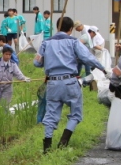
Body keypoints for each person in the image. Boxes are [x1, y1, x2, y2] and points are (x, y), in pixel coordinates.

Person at [34, 16, 106, 152]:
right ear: (71, 29)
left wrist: (50, 59)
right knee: (76, 113)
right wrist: (103, 68)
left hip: (53, 83)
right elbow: (87, 57)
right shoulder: (74, 42)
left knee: (51, 114)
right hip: (70, 81)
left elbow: (37, 62)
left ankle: (47, 146)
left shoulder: (46, 43)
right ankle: (63, 142)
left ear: (57, 27)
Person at [0, 46, 29, 111]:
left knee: (5, 106)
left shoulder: (13, 64)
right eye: (6, 54)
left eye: (9, 55)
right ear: (3, 54)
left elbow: (18, 74)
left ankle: (4, 118)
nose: (8, 56)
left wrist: (24, 78)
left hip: (7, 87)